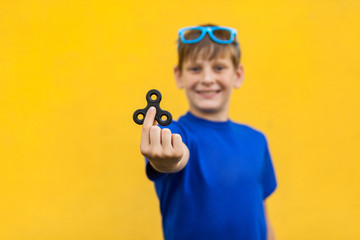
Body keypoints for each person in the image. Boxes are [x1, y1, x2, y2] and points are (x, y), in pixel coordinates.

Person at [139, 24, 277, 240]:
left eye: (219, 68)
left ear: (237, 75)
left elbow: (261, 211)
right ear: (179, 75)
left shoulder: (257, 141)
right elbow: (175, 157)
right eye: (195, 69)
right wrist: (167, 161)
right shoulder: (176, 133)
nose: (207, 79)